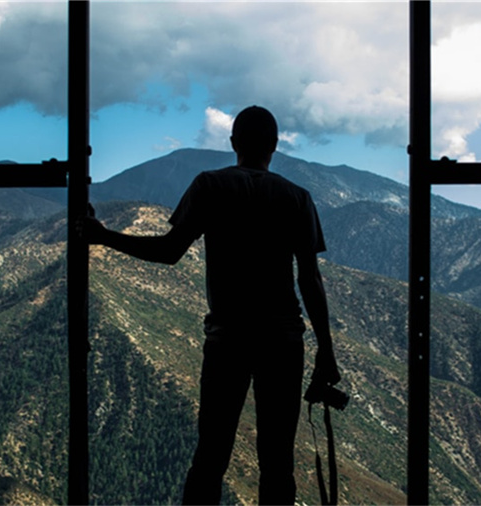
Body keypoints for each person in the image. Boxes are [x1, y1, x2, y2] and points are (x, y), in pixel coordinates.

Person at [80, 105, 341, 505]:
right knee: (277, 462)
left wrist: (104, 237)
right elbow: (310, 278)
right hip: (283, 341)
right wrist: (326, 348)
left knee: (211, 455)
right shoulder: (297, 198)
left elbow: (168, 252)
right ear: (275, 146)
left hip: (228, 338)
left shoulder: (210, 186)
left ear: (233, 143)